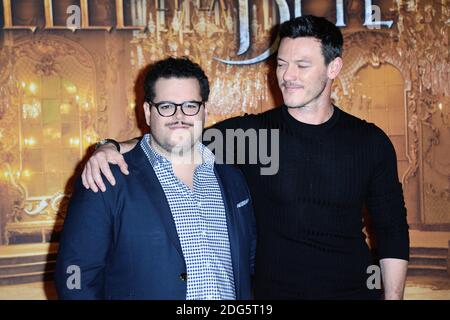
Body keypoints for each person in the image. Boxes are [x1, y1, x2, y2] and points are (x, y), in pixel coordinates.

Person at [81, 16, 410, 300]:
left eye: (302, 65)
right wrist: (108, 146)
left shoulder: (369, 141)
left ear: (333, 67)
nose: (287, 75)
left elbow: (391, 228)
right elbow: (171, 137)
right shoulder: (252, 136)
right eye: (281, 64)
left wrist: (393, 296)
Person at [55, 57, 256, 300]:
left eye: (190, 105)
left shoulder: (232, 178)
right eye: (166, 106)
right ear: (148, 112)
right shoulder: (106, 177)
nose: (179, 116)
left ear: (204, 110)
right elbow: (75, 275)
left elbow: (249, 263)